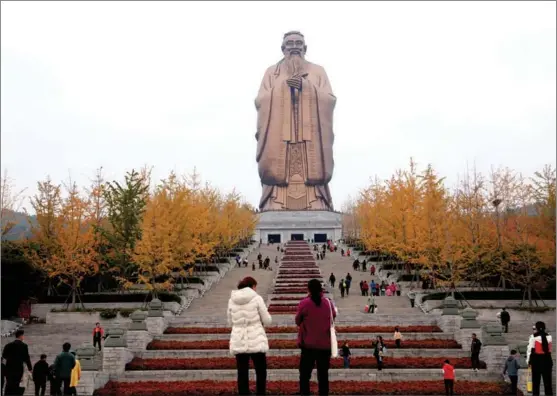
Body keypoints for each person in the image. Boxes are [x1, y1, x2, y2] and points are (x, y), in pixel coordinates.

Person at [228, 276, 271, 396]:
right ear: (252, 286)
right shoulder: (257, 298)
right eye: (255, 287)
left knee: (242, 371)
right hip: (256, 338)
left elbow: (229, 322)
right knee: (261, 371)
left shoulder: (232, 300)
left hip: (239, 338)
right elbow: (267, 320)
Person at [296, 279, 337, 396]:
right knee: (323, 376)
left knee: (304, 375)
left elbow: (297, 320)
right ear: (321, 289)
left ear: (308, 289)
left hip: (308, 345)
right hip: (325, 346)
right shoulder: (328, 303)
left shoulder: (304, 303)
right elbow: (333, 316)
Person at [2, 329, 33, 396]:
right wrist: (30, 368)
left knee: (9, 384)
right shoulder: (24, 346)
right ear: (21, 336)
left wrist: (4, 369)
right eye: (23, 336)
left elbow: (3, 357)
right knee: (17, 384)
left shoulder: (8, 345)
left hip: (9, 369)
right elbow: (27, 358)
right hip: (18, 369)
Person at [527, 321, 553, 396]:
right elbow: (549, 349)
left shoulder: (533, 337)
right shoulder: (549, 337)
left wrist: (529, 362)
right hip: (547, 360)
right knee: (548, 384)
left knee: (535, 384)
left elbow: (530, 350)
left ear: (536, 328)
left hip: (536, 361)